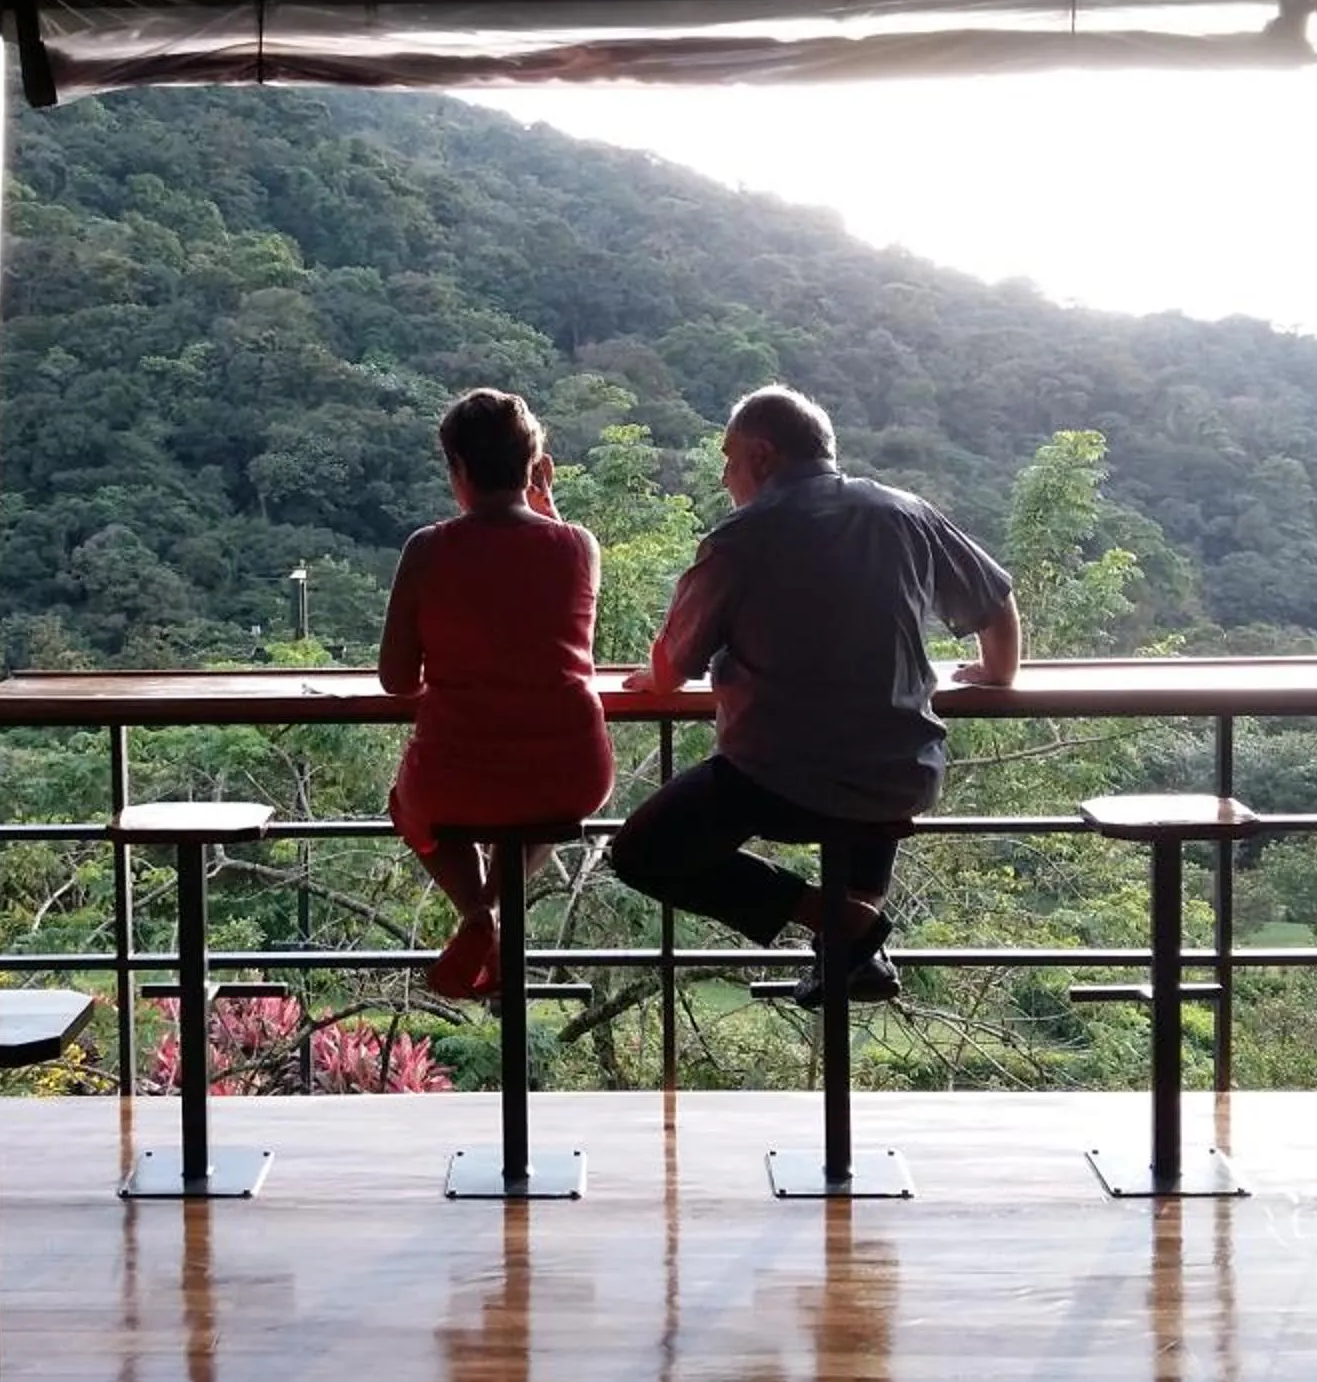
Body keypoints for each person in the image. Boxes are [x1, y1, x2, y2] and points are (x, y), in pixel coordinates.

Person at [614, 384, 1021, 1003]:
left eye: (729, 459)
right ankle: (854, 950)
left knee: (641, 851)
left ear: (762, 454)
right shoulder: (905, 512)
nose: (725, 476)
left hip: (778, 781)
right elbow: (996, 605)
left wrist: (652, 679)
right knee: (864, 799)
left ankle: (838, 922)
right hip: (900, 775)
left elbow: (672, 667)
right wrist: (998, 677)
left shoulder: (741, 539)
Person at [380, 388, 616, 998]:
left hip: (456, 775)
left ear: (457, 468)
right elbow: (552, 564)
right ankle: (497, 913)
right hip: (572, 774)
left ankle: (480, 915)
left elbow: (397, 680)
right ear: (535, 465)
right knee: (533, 810)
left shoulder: (429, 549)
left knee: (409, 804)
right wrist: (548, 503)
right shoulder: (579, 546)